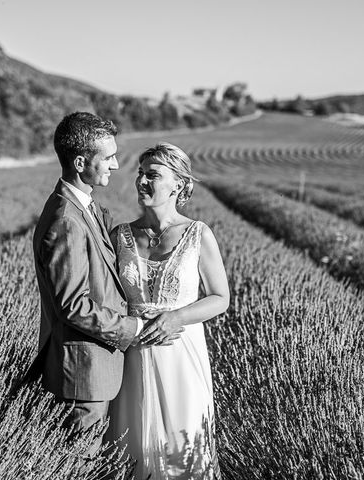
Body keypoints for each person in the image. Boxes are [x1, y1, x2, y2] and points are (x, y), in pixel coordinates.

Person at [106, 142, 230, 479]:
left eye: (153, 175)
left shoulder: (197, 234)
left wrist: (177, 316)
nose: (143, 181)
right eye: (141, 174)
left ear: (178, 184)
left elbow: (220, 297)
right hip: (132, 355)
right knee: (131, 446)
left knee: (182, 447)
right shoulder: (121, 236)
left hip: (180, 353)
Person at [25, 112, 145, 452]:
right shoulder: (66, 220)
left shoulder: (83, 208)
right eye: (107, 157)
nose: (116, 164)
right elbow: (73, 306)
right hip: (83, 375)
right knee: (78, 464)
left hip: (95, 370)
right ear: (80, 162)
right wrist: (129, 328)